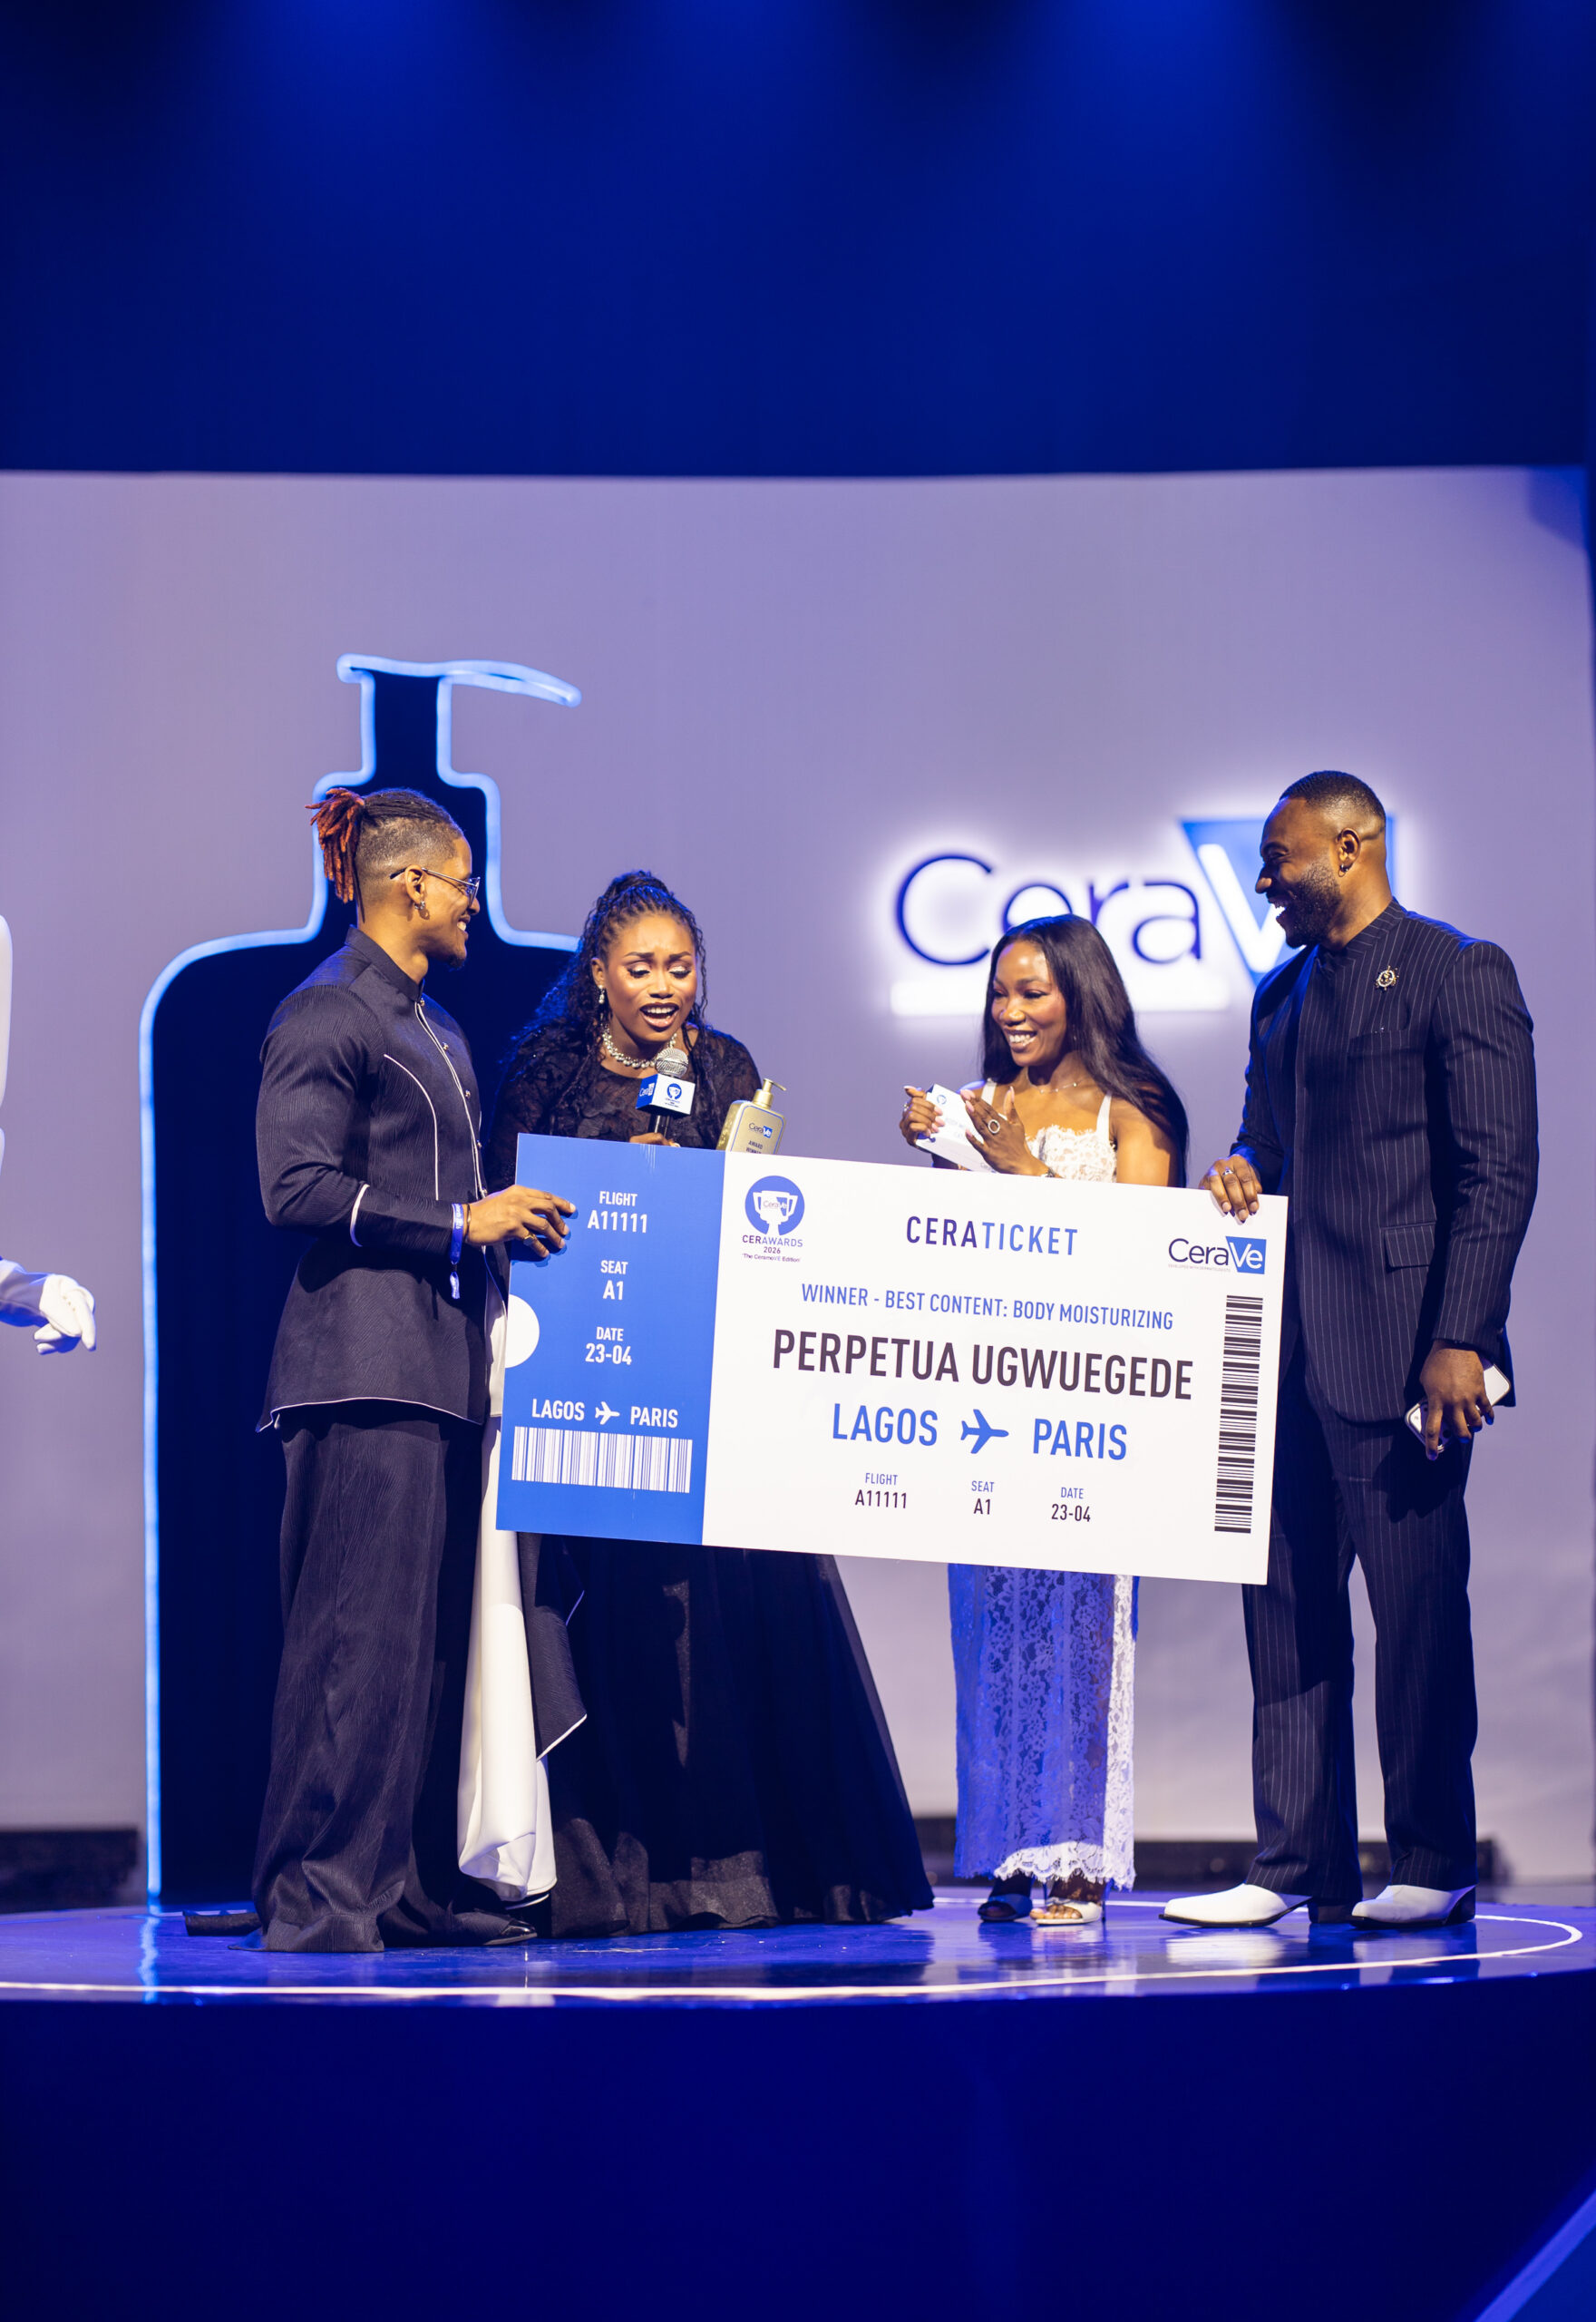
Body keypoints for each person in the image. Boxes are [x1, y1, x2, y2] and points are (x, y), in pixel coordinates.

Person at [486, 869, 932, 1936]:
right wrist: (610, 1173)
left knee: (721, 1623)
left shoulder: (724, 1065)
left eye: (678, 967)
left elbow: (762, 1211)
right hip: (594, 1388)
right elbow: (508, 1210)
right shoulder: (544, 1073)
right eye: (640, 967)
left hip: (707, 1373)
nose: (662, 986)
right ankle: (617, 1878)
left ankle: (733, 1874)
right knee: (615, 1618)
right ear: (598, 974)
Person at [1165, 772, 1537, 1934]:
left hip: (1402, 1355)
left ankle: (1430, 1855)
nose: (1261, 882)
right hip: (1280, 1356)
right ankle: (1293, 1864)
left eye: (1276, 859)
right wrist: (1239, 1168)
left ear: (1350, 845)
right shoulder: (1277, 995)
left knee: (1415, 1616)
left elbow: (1496, 1170)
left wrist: (1460, 1334)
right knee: (1281, 1609)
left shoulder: (1455, 969)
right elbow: (1263, 1146)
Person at [252, 785, 573, 1952]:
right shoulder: (327, 1011)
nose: (474, 901)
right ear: (413, 884)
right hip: (358, 1371)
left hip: (435, 1371)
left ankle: (398, 1889)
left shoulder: (430, 1023)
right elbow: (292, 1187)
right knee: (353, 1644)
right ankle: (318, 1896)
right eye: (463, 881)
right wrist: (459, 1223)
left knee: (423, 1649)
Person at [900, 915, 1186, 1926]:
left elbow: (1148, 1255)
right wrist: (945, 1152)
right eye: (999, 993)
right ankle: (1012, 1852)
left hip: (1090, 1408)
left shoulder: (1131, 1109)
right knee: (995, 1633)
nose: (1010, 1012)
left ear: (1081, 994)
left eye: (1032, 992)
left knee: (1080, 1634)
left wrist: (1024, 1169)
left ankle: (1078, 1861)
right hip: (993, 1403)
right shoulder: (984, 1103)